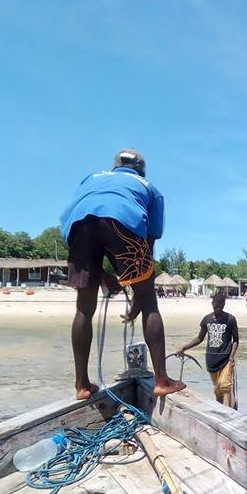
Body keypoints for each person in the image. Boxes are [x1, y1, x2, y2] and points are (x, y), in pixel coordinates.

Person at [60, 148, 185, 400]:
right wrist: (140, 293)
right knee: (150, 301)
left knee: (84, 308)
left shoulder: (91, 178)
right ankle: (162, 380)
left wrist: (103, 275)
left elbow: (91, 222)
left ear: (114, 167)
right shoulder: (150, 188)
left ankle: (82, 385)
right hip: (124, 220)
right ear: (141, 169)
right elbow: (146, 248)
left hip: (78, 225)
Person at [176, 293, 239, 407]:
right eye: (216, 306)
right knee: (218, 390)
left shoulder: (230, 319)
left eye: (220, 306)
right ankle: (221, 412)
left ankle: (229, 413)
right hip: (211, 360)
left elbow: (236, 340)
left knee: (225, 386)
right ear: (212, 304)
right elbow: (200, 338)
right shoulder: (207, 319)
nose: (218, 309)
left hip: (226, 359)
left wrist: (232, 356)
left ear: (224, 304)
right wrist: (184, 347)